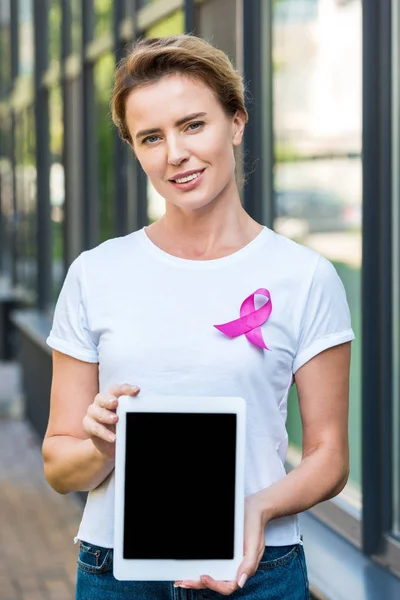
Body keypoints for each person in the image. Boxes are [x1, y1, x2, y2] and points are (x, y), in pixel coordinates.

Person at [42, 34, 355, 600]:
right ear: (135, 150)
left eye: (193, 125)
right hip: (118, 575)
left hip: (260, 570)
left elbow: (329, 457)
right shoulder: (96, 274)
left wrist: (256, 509)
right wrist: (103, 449)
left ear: (236, 122)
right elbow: (60, 468)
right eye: (151, 138)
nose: (175, 154)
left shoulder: (305, 277)